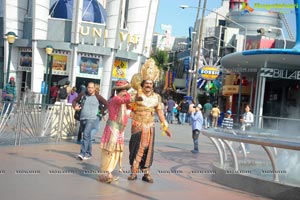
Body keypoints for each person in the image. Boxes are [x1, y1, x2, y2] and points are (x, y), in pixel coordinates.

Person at [128, 58, 171, 183]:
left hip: (150, 125)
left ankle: (146, 173)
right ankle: (134, 171)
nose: (148, 85)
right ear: (142, 83)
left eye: (151, 83)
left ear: (153, 85)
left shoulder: (157, 97)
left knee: (148, 149)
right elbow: (128, 106)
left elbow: (160, 113)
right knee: (136, 148)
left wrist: (165, 127)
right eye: (146, 83)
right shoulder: (136, 94)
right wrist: (135, 99)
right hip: (137, 124)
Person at [98, 80, 131, 183]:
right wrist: (130, 95)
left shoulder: (121, 101)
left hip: (119, 130)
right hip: (113, 129)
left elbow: (128, 105)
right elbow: (126, 101)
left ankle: (108, 173)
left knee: (116, 152)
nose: (125, 93)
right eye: (123, 91)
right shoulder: (116, 99)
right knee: (109, 151)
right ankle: (104, 174)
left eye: (126, 91)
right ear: (118, 91)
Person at [72, 82, 108, 160]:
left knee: (85, 134)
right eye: (88, 87)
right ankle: (89, 153)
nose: (90, 89)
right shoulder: (83, 94)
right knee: (87, 136)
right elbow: (74, 100)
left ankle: (82, 153)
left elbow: (106, 104)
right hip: (82, 118)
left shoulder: (98, 97)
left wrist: (101, 113)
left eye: (91, 87)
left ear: (94, 88)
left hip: (92, 119)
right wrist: (75, 106)